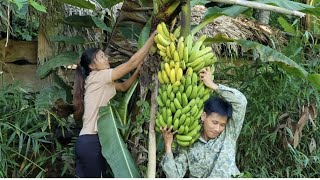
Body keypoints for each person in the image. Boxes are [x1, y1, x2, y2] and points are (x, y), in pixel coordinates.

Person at [72, 31, 156, 178]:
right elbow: (131, 63)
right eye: (101, 57)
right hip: (91, 143)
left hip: (87, 143)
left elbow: (123, 87)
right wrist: (152, 38)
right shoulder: (100, 77)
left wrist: (137, 72)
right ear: (92, 66)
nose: (107, 58)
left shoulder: (98, 80)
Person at [160, 67, 247, 178]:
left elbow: (241, 102)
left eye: (222, 125)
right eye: (214, 122)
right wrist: (168, 145)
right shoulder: (190, 144)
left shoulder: (229, 134)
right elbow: (174, 176)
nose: (217, 129)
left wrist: (213, 85)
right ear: (204, 116)